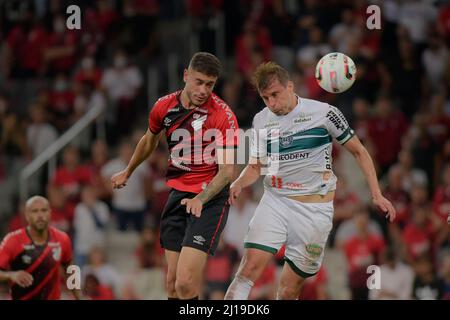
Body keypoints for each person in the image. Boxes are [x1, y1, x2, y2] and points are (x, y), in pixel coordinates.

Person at [224, 62, 396, 300]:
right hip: (275, 200)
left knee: (288, 290)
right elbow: (255, 166)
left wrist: (376, 193)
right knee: (247, 270)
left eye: (275, 95)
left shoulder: (324, 113)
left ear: (291, 87)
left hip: (314, 210)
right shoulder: (261, 120)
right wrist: (239, 183)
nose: (271, 103)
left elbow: (359, 151)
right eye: (265, 98)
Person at [111, 52, 239, 300]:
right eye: (198, 82)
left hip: (209, 199)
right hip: (178, 194)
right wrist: (128, 170)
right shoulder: (164, 106)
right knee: (170, 284)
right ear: (185, 76)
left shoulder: (224, 115)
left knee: (185, 284)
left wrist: (201, 199)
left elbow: (226, 172)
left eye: (210, 84)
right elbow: (149, 140)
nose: (203, 90)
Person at [0, 196, 82, 300]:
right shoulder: (13, 240)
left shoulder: (62, 239)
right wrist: (11, 275)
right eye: (35, 211)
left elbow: (70, 269)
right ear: (27, 215)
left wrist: (80, 296)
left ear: (50, 213)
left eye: (44, 210)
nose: (40, 215)